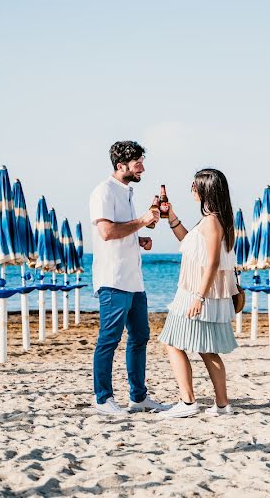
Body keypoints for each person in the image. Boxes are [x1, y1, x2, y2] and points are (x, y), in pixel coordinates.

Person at [89, 141, 168, 415]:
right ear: (120, 165)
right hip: (113, 279)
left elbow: (122, 233)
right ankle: (103, 399)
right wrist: (143, 221)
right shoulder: (103, 191)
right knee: (109, 339)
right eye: (137, 164)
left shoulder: (127, 192)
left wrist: (139, 238)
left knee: (140, 337)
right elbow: (107, 233)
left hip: (134, 280)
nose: (142, 168)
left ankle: (138, 397)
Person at [157, 168, 239, 418]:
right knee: (205, 348)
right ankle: (222, 405)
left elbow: (213, 262)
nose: (192, 190)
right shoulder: (211, 220)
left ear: (206, 190)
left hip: (197, 294)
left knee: (172, 343)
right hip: (200, 294)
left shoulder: (212, 221)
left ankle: (188, 401)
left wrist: (199, 298)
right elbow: (188, 244)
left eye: (195, 186)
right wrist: (171, 216)